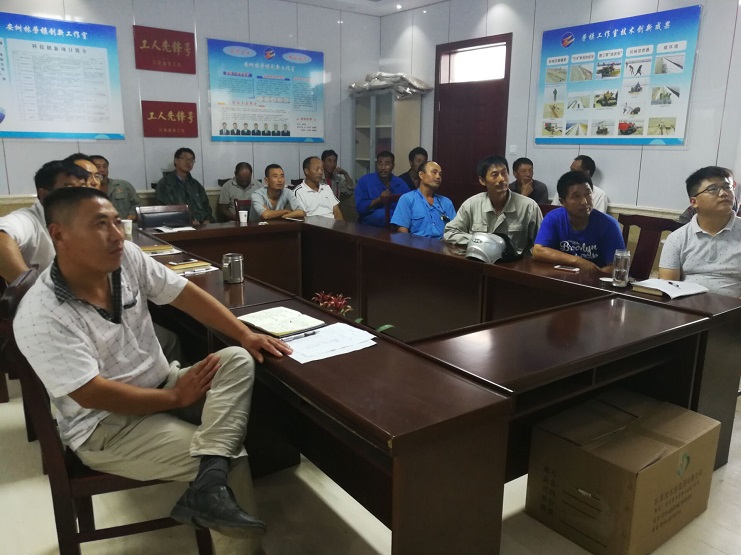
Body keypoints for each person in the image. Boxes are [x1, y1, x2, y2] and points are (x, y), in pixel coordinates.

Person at [14, 187, 292, 553]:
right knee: (233, 459)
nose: (117, 234)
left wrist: (244, 333)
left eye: (117, 221)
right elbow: (90, 393)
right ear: (59, 235)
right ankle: (219, 486)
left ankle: (208, 483)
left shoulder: (126, 258)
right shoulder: (41, 314)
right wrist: (174, 398)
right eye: (100, 224)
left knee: (237, 358)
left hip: (164, 383)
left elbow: (184, 293)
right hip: (107, 427)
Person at [0, 160, 88, 284]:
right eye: (69, 189)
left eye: (83, 188)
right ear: (43, 195)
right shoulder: (28, 220)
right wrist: (34, 288)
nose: (80, 196)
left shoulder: (85, 218)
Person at [659, 166, 741, 297]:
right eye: (713, 189)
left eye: (727, 187)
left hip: (733, 307)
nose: (723, 193)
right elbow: (668, 286)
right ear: (694, 202)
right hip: (686, 305)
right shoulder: (676, 238)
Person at [444, 155, 542, 256]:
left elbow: (542, 244)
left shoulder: (529, 207)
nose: (502, 179)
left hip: (515, 263)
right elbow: (450, 232)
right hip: (479, 261)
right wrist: (481, 241)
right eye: (495, 175)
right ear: (482, 180)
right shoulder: (472, 204)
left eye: (504, 173)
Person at [533, 170, 624, 274]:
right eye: (576, 196)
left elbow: (618, 267)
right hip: (561, 278)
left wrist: (591, 276)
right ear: (562, 202)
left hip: (595, 280)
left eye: (588, 194)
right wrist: (577, 261)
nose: (584, 201)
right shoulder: (554, 218)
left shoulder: (609, 224)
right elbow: (538, 251)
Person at [391, 161, 455, 239]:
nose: (438, 177)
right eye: (434, 172)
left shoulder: (446, 202)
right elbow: (402, 231)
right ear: (421, 175)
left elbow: (454, 229)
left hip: (442, 244)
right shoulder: (407, 199)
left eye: (440, 174)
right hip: (417, 244)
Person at [155, 148, 213, 224]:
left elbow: (206, 207)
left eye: (191, 160)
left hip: (201, 225)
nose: (188, 162)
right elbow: (166, 210)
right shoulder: (165, 184)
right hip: (177, 226)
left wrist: (207, 219)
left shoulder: (196, 185)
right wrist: (188, 222)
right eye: (185, 158)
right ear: (176, 161)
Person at [354, 151, 409, 227]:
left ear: (393, 166)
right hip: (370, 223)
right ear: (376, 165)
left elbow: (408, 206)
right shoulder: (365, 181)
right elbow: (360, 208)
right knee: (381, 214)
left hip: (396, 222)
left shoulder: (400, 183)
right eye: (380, 164)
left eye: (387, 164)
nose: (383, 168)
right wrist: (379, 200)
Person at [90, 155, 141, 221]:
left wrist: (132, 215)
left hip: (126, 224)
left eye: (105, 167)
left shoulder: (123, 185)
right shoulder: (88, 189)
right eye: (98, 167)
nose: (102, 170)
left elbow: (138, 203)